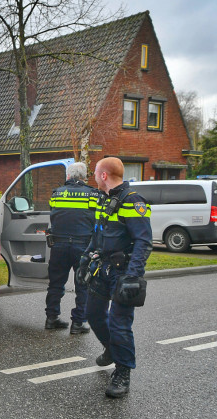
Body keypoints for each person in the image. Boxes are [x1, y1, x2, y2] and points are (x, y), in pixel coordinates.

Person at [81, 157, 152, 398]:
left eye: (96, 173)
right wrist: (84, 260)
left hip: (123, 272)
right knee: (92, 313)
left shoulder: (133, 201)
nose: (94, 177)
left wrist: (133, 275)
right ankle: (111, 350)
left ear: (104, 176)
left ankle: (123, 372)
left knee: (119, 324)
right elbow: (98, 233)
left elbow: (144, 241)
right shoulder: (104, 199)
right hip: (102, 268)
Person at [44, 162, 100, 334]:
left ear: (68, 176)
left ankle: (51, 318)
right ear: (84, 177)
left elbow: (54, 214)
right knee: (83, 283)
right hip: (83, 244)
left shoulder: (56, 193)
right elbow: (97, 221)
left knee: (56, 282)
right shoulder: (92, 194)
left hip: (58, 244)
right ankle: (78, 323)